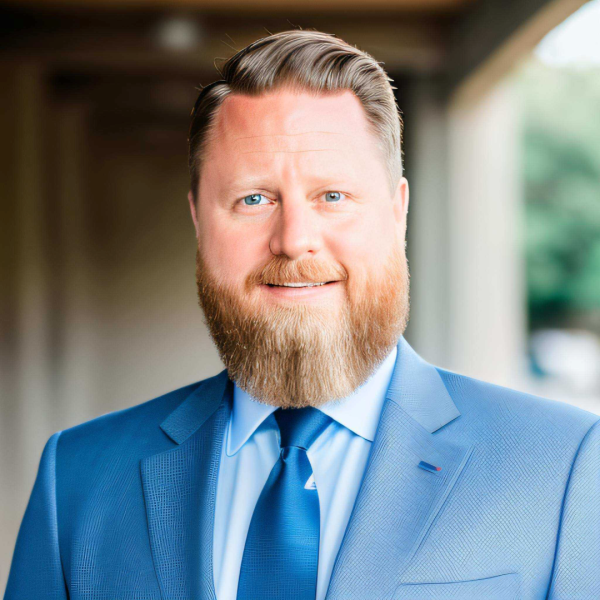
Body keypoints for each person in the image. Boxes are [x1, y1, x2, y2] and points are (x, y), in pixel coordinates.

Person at [4, 30, 599, 600]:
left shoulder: (564, 468)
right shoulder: (76, 480)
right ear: (198, 219)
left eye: (332, 196)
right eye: (253, 199)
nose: (293, 240)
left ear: (397, 212)